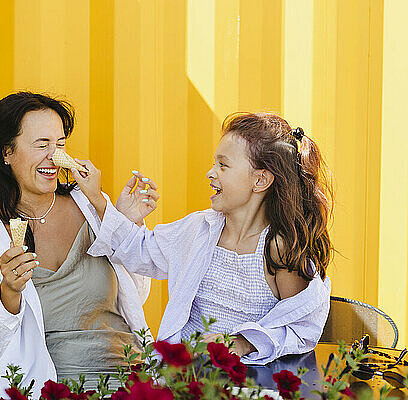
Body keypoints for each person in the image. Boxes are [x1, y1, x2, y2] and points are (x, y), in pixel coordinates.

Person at [72, 112, 332, 365]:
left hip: (246, 383)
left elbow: (302, 326)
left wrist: (241, 342)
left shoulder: (278, 249)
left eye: (223, 165)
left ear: (260, 179)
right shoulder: (200, 229)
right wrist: (99, 200)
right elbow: (140, 251)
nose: (210, 173)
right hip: (186, 377)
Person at [0, 92, 151, 400]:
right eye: (41, 145)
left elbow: (137, 295)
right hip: (47, 387)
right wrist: (9, 294)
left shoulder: (92, 207)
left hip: (127, 378)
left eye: (59, 145)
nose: (54, 157)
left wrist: (124, 223)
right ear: (7, 152)